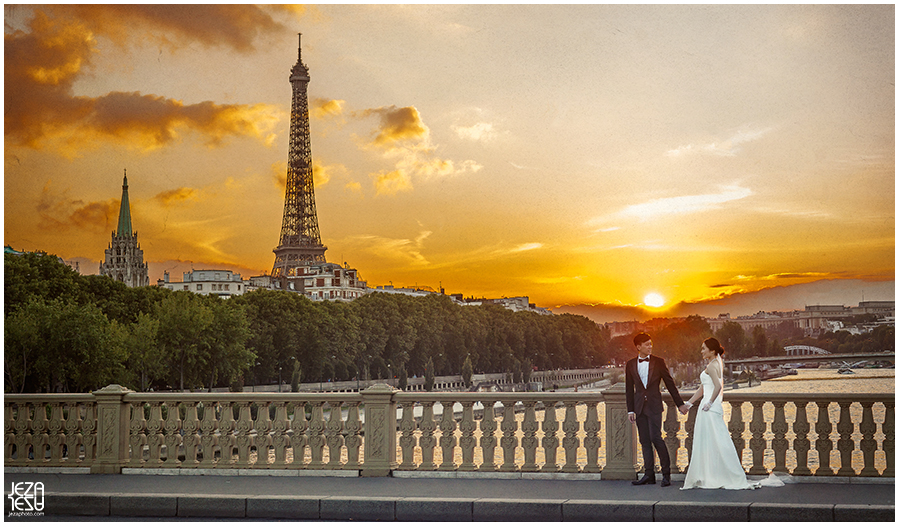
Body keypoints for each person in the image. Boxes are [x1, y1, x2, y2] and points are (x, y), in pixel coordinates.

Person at [680, 337, 757, 490]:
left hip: (708, 409)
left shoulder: (711, 366)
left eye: (703, 348)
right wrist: (689, 403)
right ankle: (716, 474)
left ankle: (711, 475)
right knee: (715, 441)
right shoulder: (716, 363)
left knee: (709, 442)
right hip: (710, 407)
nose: (701, 351)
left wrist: (709, 402)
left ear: (712, 350)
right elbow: (703, 388)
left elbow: (717, 387)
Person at [625, 332, 688, 487]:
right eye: (646, 344)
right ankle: (649, 475)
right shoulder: (630, 364)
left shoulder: (659, 362)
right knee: (644, 441)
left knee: (656, 438)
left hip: (654, 406)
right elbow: (629, 389)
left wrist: (680, 404)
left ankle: (666, 475)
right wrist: (630, 410)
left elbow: (670, 383)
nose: (650, 347)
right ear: (638, 347)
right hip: (639, 408)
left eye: (651, 344)